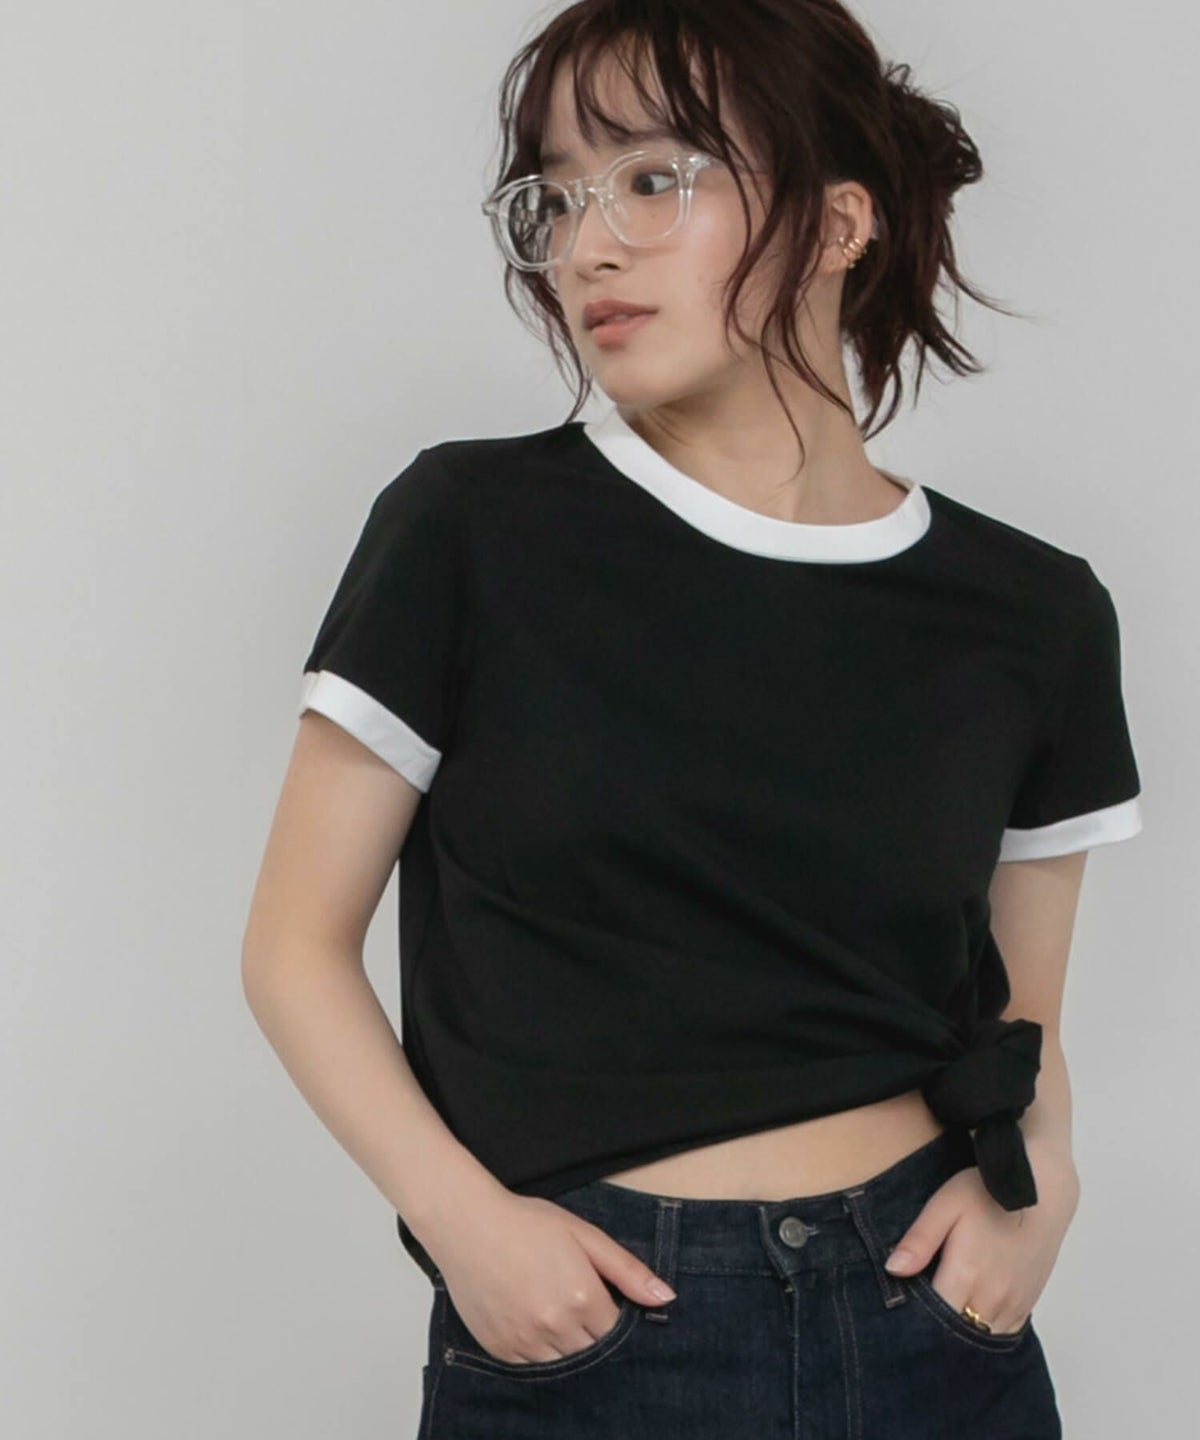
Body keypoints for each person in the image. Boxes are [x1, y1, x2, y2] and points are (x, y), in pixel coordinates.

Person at [242, 3, 1143, 1436]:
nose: (587, 246)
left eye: (655, 178)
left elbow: (1022, 1016)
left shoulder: (1033, 610)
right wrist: (470, 1231)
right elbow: (293, 949)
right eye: (555, 195)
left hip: (930, 1323)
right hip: (599, 1336)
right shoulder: (472, 530)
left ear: (839, 221)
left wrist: (1043, 1193)